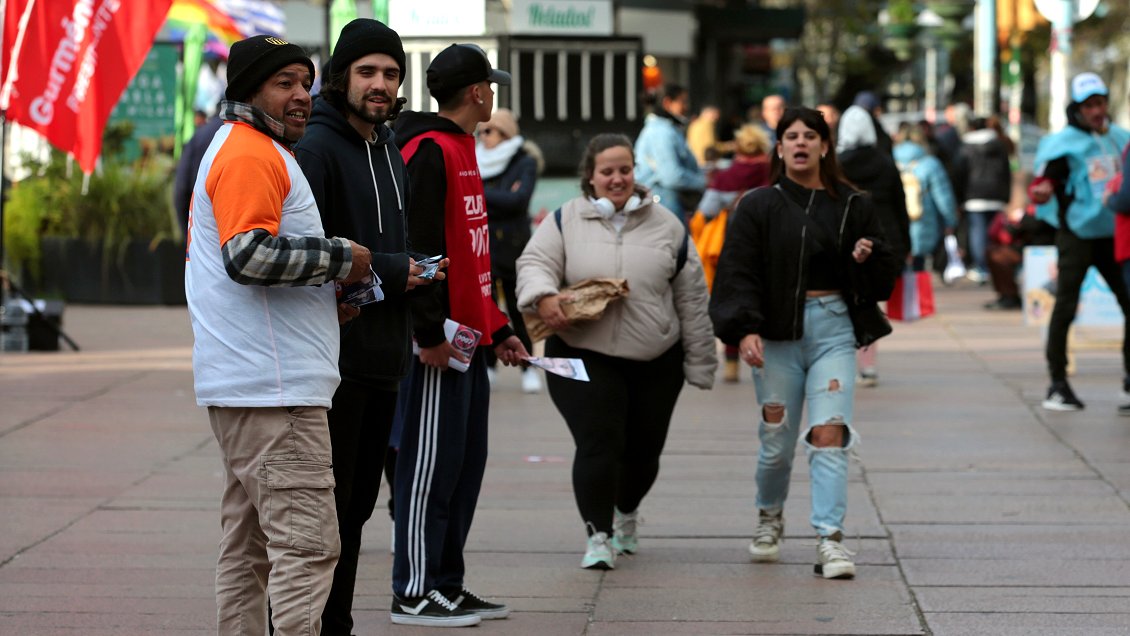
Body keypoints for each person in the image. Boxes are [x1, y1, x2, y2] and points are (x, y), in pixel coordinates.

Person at [185, 35, 373, 635]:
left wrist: (322, 303)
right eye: (284, 83)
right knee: (307, 547)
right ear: (247, 90)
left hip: (251, 386)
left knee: (250, 551)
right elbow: (248, 256)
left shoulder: (249, 147)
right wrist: (343, 258)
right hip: (276, 394)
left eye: (304, 82)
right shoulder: (249, 153)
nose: (301, 96)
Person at [709, 107, 901, 580]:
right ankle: (769, 517)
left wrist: (865, 256)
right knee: (776, 440)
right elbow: (737, 271)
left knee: (829, 432)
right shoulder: (757, 205)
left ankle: (830, 540)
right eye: (790, 136)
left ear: (824, 146)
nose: (800, 143)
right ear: (778, 148)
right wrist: (745, 327)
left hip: (834, 329)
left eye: (809, 136)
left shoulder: (855, 205)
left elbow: (883, 277)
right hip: (776, 334)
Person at [291, 19, 435, 635]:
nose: (381, 84)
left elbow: (387, 244)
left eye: (392, 73)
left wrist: (413, 276)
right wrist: (397, 271)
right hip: (332, 361)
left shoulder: (388, 145)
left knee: (357, 511)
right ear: (340, 77)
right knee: (323, 514)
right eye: (368, 71)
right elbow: (309, 255)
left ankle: (337, 622)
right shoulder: (318, 148)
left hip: (383, 358)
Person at [515, 132, 717, 570]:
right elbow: (533, 263)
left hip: (655, 359)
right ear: (591, 176)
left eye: (624, 170)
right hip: (580, 352)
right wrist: (544, 295)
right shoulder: (564, 220)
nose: (617, 178)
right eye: (607, 171)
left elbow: (692, 298)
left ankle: (626, 512)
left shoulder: (667, 225)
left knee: (644, 452)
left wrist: (701, 362)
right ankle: (598, 534)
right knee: (598, 442)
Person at [390, 43, 529, 627]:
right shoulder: (427, 149)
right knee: (428, 469)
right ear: (476, 92)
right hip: (438, 347)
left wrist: (500, 330)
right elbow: (418, 250)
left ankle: (447, 582)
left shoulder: (461, 147)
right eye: (488, 86)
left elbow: (473, 258)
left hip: (469, 341)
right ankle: (414, 591)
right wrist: (428, 335)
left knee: (462, 467)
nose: (493, 93)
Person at [1030, 72, 1130, 411]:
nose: (1097, 111)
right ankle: (1058, 384)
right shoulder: (1064, 144)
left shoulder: (1120, 137)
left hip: (1115, 235)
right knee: (1066, 306)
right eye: (1089, 106)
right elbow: (1043, 183)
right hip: (1077, 235)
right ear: (1077, 109)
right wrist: (1042, 192)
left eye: (1100, 103)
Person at [837, 105, 909, 387]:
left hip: (846, 237)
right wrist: (906, 243)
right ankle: (868, 364)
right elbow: (899, 204)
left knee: (843, 301)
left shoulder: (837, 164)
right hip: (883, 236)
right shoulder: (885, 163)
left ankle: (845, 361)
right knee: (872, 301)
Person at [475, 107, 544, 394]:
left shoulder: (524, 161)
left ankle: (528, 366)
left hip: (514, 246)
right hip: (484, 243)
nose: (483, 137)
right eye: (480, 131)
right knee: (486, 307)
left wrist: (478, 190)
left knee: (519, 309)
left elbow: (519, 200)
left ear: (505, 132)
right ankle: (489, 365)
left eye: (489, 131)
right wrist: (499, 196)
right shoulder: (474, 157)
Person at [696, 123, 772, 382]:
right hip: (767, 247)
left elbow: (706, 211)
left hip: (729, 247)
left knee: (732, 300)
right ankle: (764, 356)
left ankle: (730, 363)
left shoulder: (726, 176)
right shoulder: (775, 174)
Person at [892, 122, 958, 274]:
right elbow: (943, 196)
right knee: (918, 265)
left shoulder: (890, 161)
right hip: (922, 219)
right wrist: (950, 221)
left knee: (898, 269)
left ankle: (901, 296)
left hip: (897, 222)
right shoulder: (930, 163)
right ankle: (919, 296)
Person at [634, 83, 705, 222]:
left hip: (666, 203)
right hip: (665, 203)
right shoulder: (661, 133)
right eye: (683, 102)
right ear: (667, 103)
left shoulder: (667, 130)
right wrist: (704, 181)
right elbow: (671, 176)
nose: (686, 107)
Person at [955, 116, 1013, 284]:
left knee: (977, 233)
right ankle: (994, 265)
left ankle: (982, 267)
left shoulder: (966, 147)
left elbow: (960, 173)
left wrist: (959, 198)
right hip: (996, 195)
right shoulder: (999, 144)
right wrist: (1006, 195)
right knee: (994, 233)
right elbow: (1006, 171)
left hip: (973, 196)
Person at [173, 109, 223, 233]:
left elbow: (181, 190)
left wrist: (187, 235)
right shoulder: (254, 135)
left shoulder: (200, 135)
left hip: (203, 223)